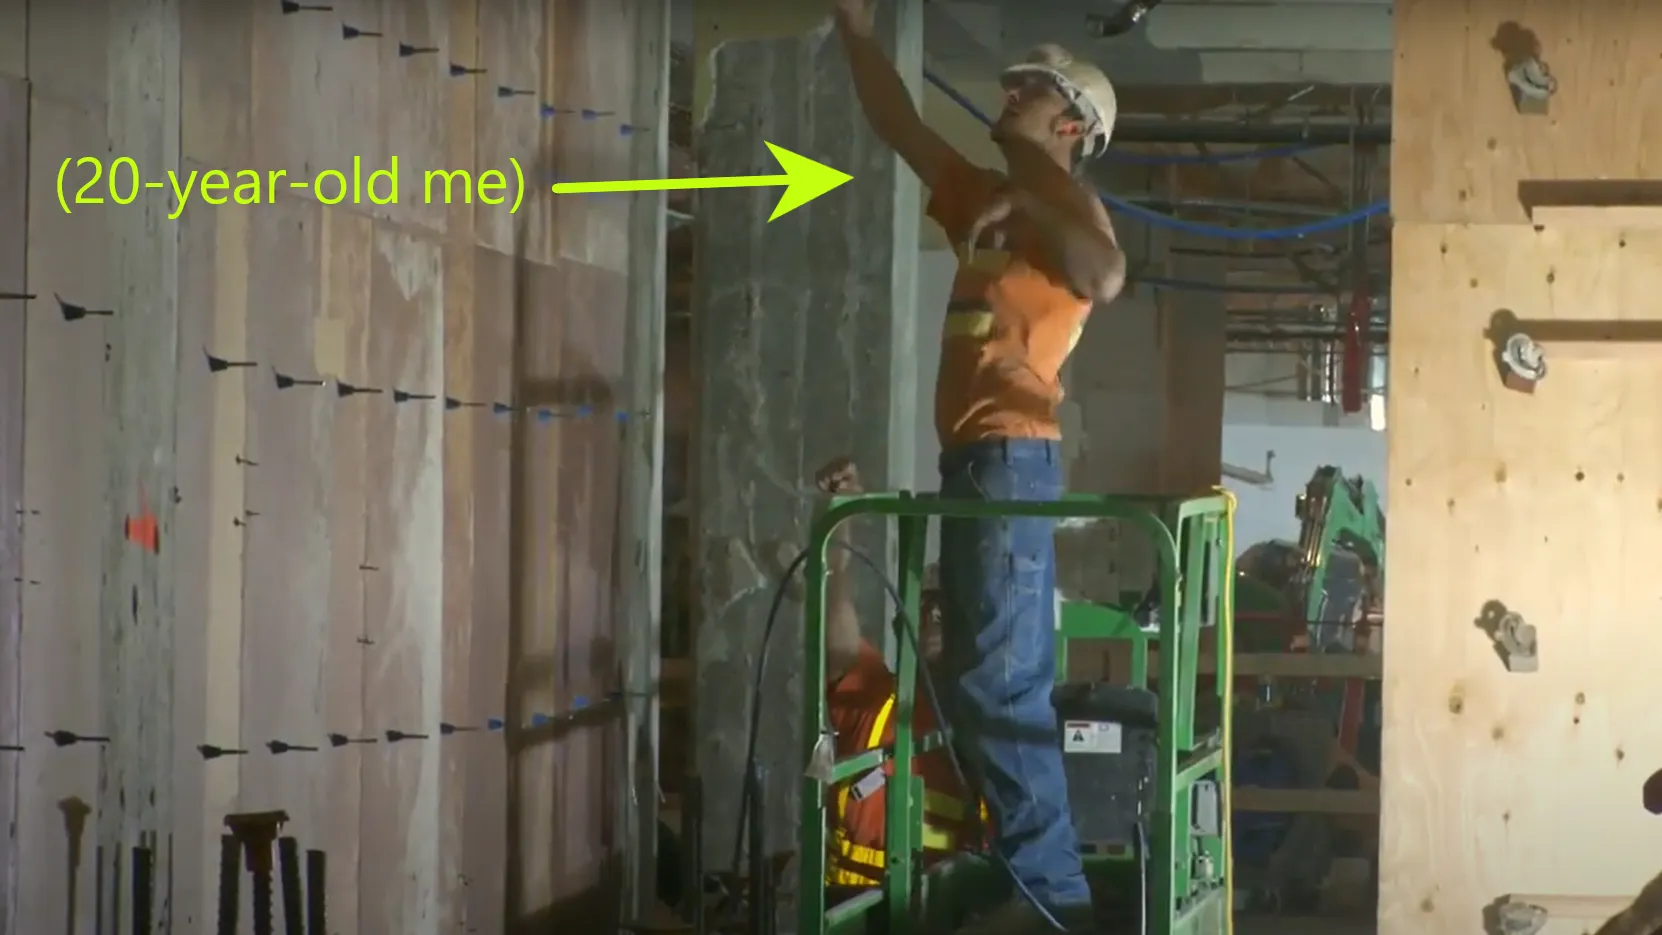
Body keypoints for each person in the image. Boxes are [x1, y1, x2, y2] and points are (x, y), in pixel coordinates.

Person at [831, 2, 1128, 933]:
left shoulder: (1070, 210)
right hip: (973, 461)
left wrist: (1029, 199)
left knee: (1000, 686)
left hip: (1010, 459)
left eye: (1031, 90)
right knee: (975, 681)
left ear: (1071, 125)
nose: (1008, 93)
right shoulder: (979, 193)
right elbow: (898, 126)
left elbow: (1106, 275)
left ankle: (1053, 895)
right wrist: (856, 35)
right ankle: (1029, 873)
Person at [814, 456, 984, 890]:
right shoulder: (875, 698)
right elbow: (836, 617)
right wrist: (840, 516)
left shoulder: (992, 731)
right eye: (926, 606)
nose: (934, 617)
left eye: (947, 609)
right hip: (847, 911)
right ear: (902, 623)